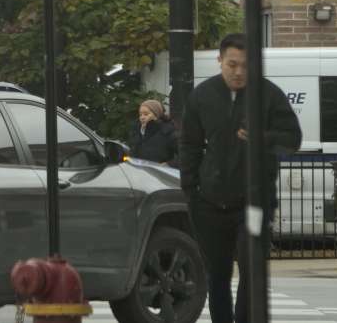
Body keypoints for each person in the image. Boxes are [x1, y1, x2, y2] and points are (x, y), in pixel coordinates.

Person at [178, 33, 302, 323]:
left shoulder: (269, 95)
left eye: (246, 66)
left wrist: (263, 137)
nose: (239, 72)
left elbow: (292, 139)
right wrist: (191, 189)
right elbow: (189, 144)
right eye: (232, 64)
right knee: (217, 274)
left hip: (254, 201)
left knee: (251, 269)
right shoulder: (202, 95)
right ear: (220, 61)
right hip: (209, 201)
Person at [127, 98, 177, 164]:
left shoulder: (168, 132)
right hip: (138, 173)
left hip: (158, 173)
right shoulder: (136, 131)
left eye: (146, 114)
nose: (142, 117)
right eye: (140, 114)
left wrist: (168, 165)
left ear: (157, 115)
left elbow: (185, 156)